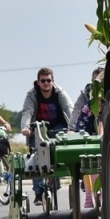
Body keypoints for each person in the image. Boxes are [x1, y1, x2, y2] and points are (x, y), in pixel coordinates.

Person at [20, 68, 73, 201]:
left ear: (53, 81)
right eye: (43, 81)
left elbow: (69, 108)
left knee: (59, 148)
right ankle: (38, 192)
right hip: (38, 127)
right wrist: (25, 127)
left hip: (58, 125)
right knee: (36, 154)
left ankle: (56, 178)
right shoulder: (32, 94)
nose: (46, 83)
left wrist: (73, 127)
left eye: (48, 80)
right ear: (38, 82)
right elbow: (27, 111)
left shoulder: (60, 92)